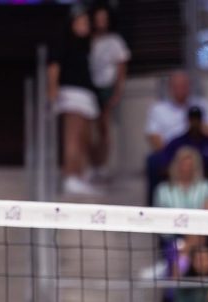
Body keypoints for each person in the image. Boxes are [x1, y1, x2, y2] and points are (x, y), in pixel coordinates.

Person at [48, 7, 100, 196]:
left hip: (86, 95)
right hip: (71, 93)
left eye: (87, 23)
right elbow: (53, 68)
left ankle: (80, 174)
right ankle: (70, 176)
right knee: (73, 138)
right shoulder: (63, 43)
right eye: (81, 22)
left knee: (85, 138)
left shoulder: (86, 45)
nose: (85, 26)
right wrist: (52, 93)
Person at [88, 6, 130, 178]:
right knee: (89, 129)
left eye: (104, 19)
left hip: (107, 86)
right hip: (89, 87)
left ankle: (102, 165)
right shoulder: (88, 40)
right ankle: (91, 164)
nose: (101, 22)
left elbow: (122, 67)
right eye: (98, 18)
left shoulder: (115, 41)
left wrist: (118, 91)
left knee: (104, 128)